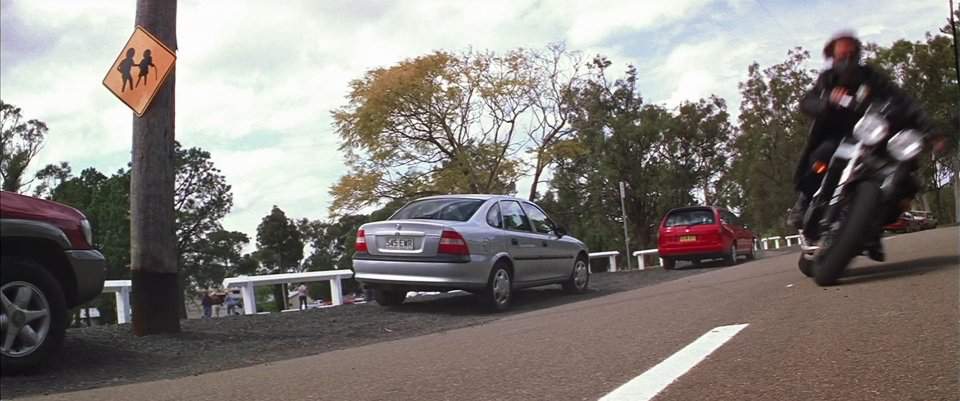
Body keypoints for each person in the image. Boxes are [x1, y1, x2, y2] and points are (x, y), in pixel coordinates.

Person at [787, 30, 929, 261]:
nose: (847, 60)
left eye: (852, 54)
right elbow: (807, 102)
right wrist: (827, 102)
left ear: (859, 55)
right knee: (822, 156)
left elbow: (904, 102)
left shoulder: (872, 77)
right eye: (842, 56)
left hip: (875, 137)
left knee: (907, 183)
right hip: (839, 136)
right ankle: (804, 203)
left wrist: (930, 131)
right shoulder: (827, 80)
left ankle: (874, 228)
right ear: (833, 58)